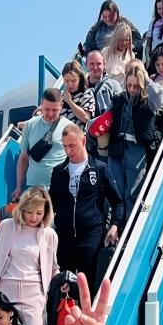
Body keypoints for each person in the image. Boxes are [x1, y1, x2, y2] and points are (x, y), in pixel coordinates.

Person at [49, 123, 123, 294]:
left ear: (83, 141)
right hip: (64, 237)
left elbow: (117, 201)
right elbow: (51, 204)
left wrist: (115, 225)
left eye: (72, 145)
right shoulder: (59, 172)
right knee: (62, 286)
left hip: (91, 236)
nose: (68, 151)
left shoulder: (99, 169)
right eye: (65, 146)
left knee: (86, 286)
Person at [0, 186, 58, 325]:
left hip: (34, 293)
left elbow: (53, 268)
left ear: (46, 213)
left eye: (39, 213)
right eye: (29, 212)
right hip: (6, 290)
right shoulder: (6, 226)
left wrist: (61, 284)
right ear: (22, 209)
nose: (34, 217)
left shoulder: (49, 235)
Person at [106, 61, 158, 209]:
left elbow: (159, 97)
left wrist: (147, 79)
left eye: (136, 86)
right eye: (129, 85)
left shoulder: (147, 101)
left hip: (136, 148)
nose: (132, 89)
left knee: (133, 191)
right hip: (117, 146)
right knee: (117, 190)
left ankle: (130, 225)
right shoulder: (118, 99)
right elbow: (105, 118)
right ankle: (118, 227)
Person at [14, 88, 67, 201]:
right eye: (47, 109)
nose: (50, 114)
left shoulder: (68, 127)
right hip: (34, 186)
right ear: (41, 103)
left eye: (55, 110)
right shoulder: (29, 125)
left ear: (61, 106)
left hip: (59, 186)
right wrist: (19, 186)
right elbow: (23, 158)